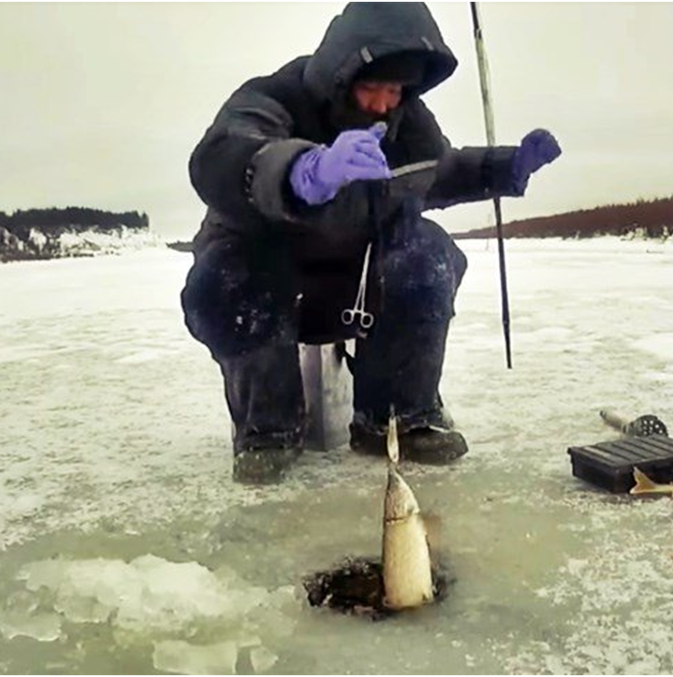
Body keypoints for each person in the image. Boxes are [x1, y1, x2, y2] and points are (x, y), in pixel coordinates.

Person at [181, 0, 561, 483]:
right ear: (341, 74)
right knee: (226, 279)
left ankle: (396, 416)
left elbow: (435, 173)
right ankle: (267, 429)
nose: (385, 103)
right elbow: (221, 155)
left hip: (354, 285)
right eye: (372, 88)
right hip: (264, 281)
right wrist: (301, 170)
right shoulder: (274, 96)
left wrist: (503, 168)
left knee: (429, 254)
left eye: (396, 90)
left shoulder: (408, 121)